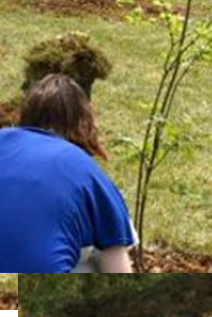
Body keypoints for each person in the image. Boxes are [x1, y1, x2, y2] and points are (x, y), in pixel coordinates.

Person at [0, 75, 134, 273]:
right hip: (30, 292)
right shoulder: (85, 170)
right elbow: (117, 266)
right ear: (83, 122)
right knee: (94, 258)